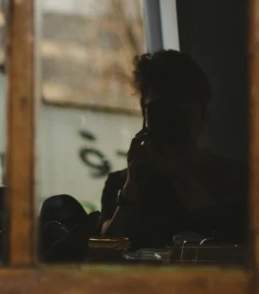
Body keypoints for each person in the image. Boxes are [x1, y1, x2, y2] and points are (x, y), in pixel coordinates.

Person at [100, 50, 247, 250]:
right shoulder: (122, 184)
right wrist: (130, 190)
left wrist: (182, 178)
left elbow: (239, 246)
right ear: (144, 112)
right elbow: (104, 252)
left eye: (180, 114)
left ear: (204, 118)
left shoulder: (237, 179)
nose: (169, 123)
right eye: (160, 112)